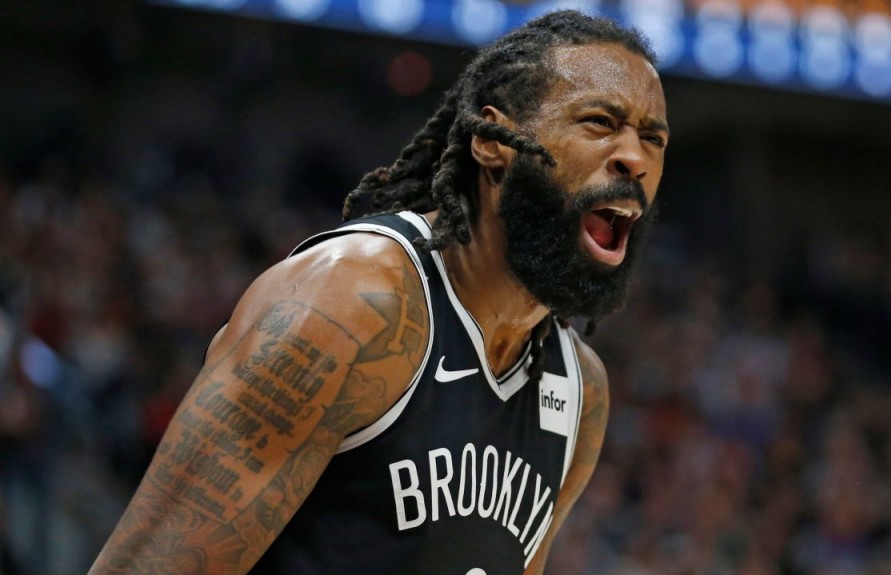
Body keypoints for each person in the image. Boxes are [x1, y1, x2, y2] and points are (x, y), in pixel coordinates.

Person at [88, 9, 669, 574]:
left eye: (652, 138)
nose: (634, 158)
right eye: (599, 121)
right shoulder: (350, 304)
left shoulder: (579, 393)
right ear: (495, 142)